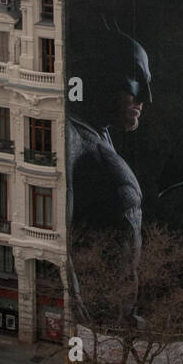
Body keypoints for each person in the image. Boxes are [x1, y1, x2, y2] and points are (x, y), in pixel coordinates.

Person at [66, 24, 153, 323]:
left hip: (116, 313)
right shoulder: (72, 138)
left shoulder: (99, 133)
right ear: (103, 78)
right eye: (135, 82)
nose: (146, 97)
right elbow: (58, 245)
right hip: (103, 316)